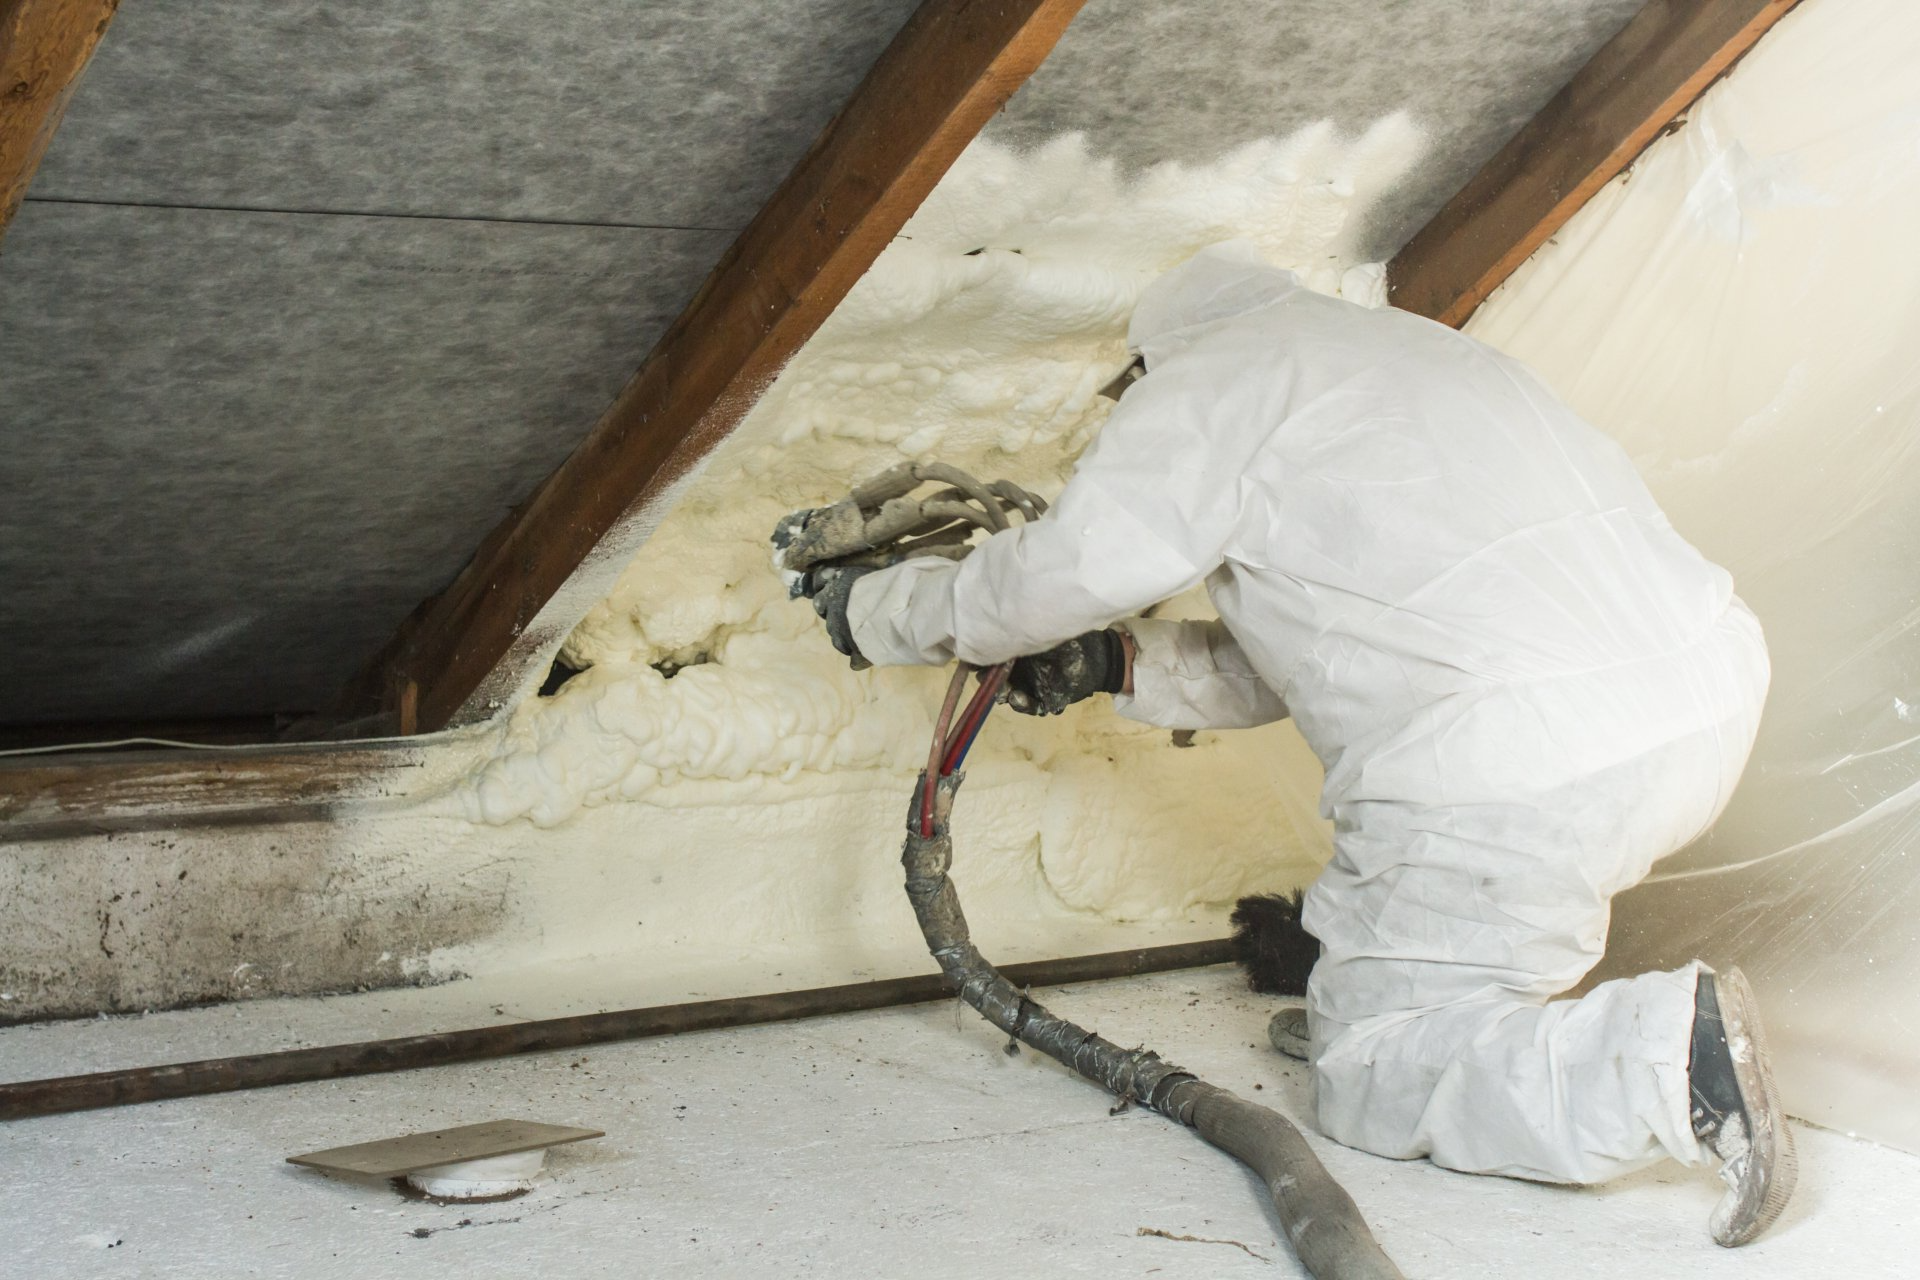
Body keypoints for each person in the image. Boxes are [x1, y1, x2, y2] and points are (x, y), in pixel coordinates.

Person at [799, 241, 1793, 1247]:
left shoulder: (1219, 379)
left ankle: (1671, 1056)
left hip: (1519, 762)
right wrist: (1114, 665)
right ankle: (1458, 1003)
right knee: (1445, 956)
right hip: (1701, 704)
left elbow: (1051, 575)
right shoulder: (1415, 357)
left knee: (1375, 1073)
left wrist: (875, 610)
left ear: (1155, 360)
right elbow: (1316, 644)